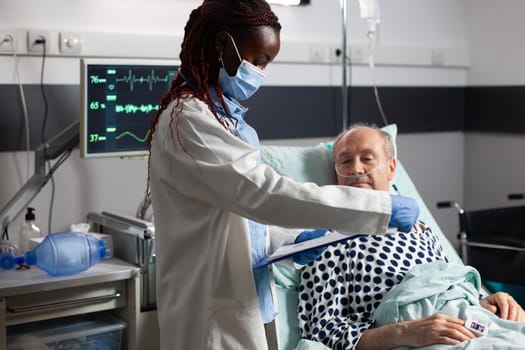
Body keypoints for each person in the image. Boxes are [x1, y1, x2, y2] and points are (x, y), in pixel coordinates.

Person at [146, 1, 420, 349]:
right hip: (208, 315)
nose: (260, 72)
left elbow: (240, 216)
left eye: (266, 64)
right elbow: (262, 194)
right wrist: (377, 206)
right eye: (257, 60)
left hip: (244, 301)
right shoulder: (188, 119)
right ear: (221, 46)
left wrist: (289, 241)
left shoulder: (221, 118)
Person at [298, 124, 525, 350]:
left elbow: (446, 288)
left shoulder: (421, 229)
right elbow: (321, 331)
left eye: (367, 158)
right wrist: (405, 332)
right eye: (345, 161)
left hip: (469, 325)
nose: (356, 169)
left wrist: (485, 303)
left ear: (391, 168)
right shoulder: (327, 240)